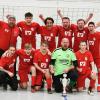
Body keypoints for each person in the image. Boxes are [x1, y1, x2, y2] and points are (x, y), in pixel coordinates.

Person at [88, 22, 100, 92]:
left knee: (99, 70)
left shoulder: (98, 34)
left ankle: (99, 85)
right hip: (90, 56)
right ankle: (91, 85)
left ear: (94, 27)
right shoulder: (88, 34)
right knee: (89, 71)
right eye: (89, 26)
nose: (91, 27)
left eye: (92, 26)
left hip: (97, 56)